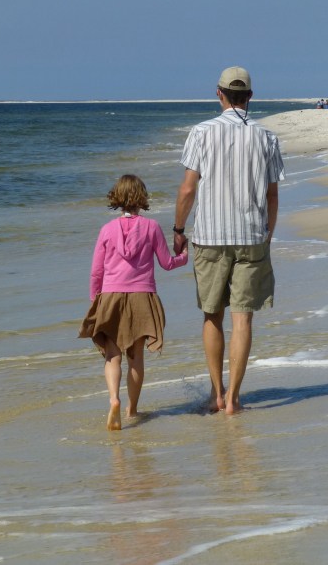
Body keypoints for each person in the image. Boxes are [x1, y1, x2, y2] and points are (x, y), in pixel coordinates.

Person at [173, 67, 284, 415]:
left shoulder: (202, 132)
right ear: (250, 97)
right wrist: (268, 233)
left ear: (218, 93)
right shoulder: (267, 137)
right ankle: (234, 399)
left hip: (209, 236)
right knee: (243, 320)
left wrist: (178, 230)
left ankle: (216, 394)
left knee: (212, 316)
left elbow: (188, 188)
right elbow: (272, 194)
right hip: (251, 235)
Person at [79, 174, 188, 430]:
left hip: (111, 297)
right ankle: (132, 409)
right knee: (136, 357)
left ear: (116, 198)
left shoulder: (106, 230)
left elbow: (96, 271)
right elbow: (166, 263)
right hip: (142, 297)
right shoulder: (151, 227)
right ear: (142, 197)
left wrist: (96, 299)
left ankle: (114, 400)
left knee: (112, 355)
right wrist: (183, 256)